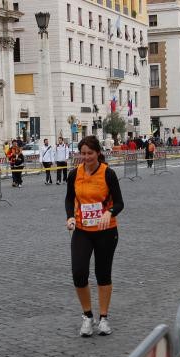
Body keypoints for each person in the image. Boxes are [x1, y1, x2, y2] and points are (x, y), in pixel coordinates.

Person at [65, 135, 124, 337]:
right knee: (79, 273)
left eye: (90, 153)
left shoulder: (108, 174)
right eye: (83, 153)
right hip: (82, 230)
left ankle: (104, 318)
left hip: (106, 231)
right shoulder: (74, 174)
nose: (86, 157)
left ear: (98, 153)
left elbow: (119, 203)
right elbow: (69, 199)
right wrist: (70, 217)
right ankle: (87, 316)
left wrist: (110, 212)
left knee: (103, 273)